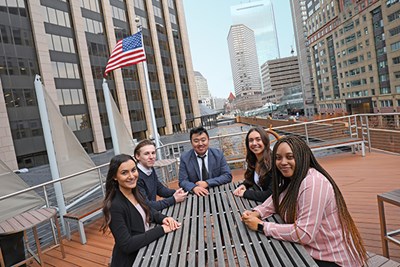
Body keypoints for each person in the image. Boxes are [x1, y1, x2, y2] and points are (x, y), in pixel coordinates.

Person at [241, 136, 367, 267]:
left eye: (290, 157)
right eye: (278, 158)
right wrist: (257, 212)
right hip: (313, 251)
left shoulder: (313, 183)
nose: (283, 162)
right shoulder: (296, 179)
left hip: (333, 259)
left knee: (267, 256)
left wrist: (262, 226)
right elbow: (277, 199)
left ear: (302, 157)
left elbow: (304, 233)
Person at [101, 154, 181, 267]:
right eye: (124, 173)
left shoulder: (134, 191)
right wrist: (161, 229)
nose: (131, 176)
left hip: (145, 250)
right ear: (115, 176)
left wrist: (164, 218)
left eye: (133, 170)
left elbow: (149, 210)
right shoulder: (114, 206)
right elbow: (127, 244)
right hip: (131, 261)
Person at [134, 139, 187, 211]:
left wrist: (176, 192)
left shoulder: (150, 169)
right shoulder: (136, 177)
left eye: (153, 153)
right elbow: (147, 206)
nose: (151, 157)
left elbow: (159, 189)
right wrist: (173, 199)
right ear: (137, 156)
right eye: (147, 154)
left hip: (152, 213)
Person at [179, 126, 232, 196]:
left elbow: (227, 176)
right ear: (191, 143)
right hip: (196, 195)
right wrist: (194, 187)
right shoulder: (185, 158)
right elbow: (182, 181)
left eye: (203, 140)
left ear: (208, 140)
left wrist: (207, 183)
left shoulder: (218, 155)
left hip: (217, 192)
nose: (200, 144)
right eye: (196, 141)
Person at [233, 127, 273, 202]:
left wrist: (245, 193)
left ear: (265, 141)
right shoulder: (254, 160)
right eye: (251, 140)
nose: (254, 143)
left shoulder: (273, 162)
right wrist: (244, 185)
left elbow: (269, 195)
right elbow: (250, 180)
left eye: (258, 139)